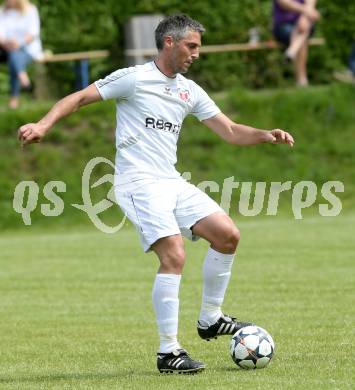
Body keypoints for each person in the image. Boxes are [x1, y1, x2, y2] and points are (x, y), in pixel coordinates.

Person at [18, 14, 294, 374]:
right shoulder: (134, 78)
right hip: (138, 183)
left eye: (198, 47)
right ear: (169, 42)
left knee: (227, 236)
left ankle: (210, 319)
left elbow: (228, 130)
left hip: (170, 181)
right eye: (191, 46)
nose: (196, 53)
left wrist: (264, 134)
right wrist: (42, 124)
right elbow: (80, 98)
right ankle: (169, 352)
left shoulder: (188, 90)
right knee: (174, 255)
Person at [0, 0, 42, 109]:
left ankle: (14, 98)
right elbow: (1, 34)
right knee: (13, 54)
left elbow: (33, 33)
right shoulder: (3, 11)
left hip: (29, 49)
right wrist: (6, 43)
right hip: (7, 48)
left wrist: (18, 43)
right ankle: (22, 76)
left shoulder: (31, 10)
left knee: (14, 56)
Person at [272, 0, 320, 86]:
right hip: (283, 26)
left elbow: (311, 2)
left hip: (304, 23)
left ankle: (291, 52)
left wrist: (304, 18)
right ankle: (302, 79)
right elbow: (285, 3)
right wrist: (306, 11)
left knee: (303, 27)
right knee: (302, 33)